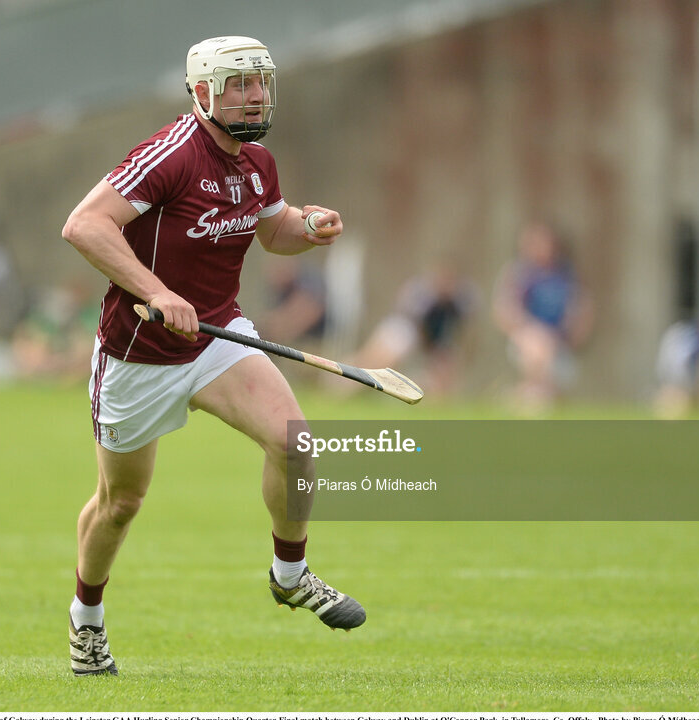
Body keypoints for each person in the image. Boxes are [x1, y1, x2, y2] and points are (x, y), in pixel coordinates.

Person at [61, 36, 365, 677]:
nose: (255, 95)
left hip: (218, 336)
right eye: (239, 84)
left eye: (260, 82)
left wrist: (307, 230)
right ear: (202, 92)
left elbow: (272, 231)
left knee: (294, 442)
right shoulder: (169, 155)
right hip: (139, 353)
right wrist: (156, 291)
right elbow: (85, 225)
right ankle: (86, 618)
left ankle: (290, 573)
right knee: (120, 504)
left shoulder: (258, 162)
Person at [491, 222, 593, 410]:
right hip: (528, 341)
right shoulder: (519, 274)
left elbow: (583, 315)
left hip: (560, 345)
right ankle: (534, 392)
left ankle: (525, 394)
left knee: (550, 386)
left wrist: (565, 338)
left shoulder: (568, 276)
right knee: (537, 345)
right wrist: (529, 330)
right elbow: (504, 310)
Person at [348, 261, 478, 397]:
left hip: (437, 341)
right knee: (378, 361)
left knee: (446, 368)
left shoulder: (461, 298)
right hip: (407, 330)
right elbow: (416, 323)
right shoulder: (422, 292)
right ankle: (349, 384)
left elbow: (464, 329)